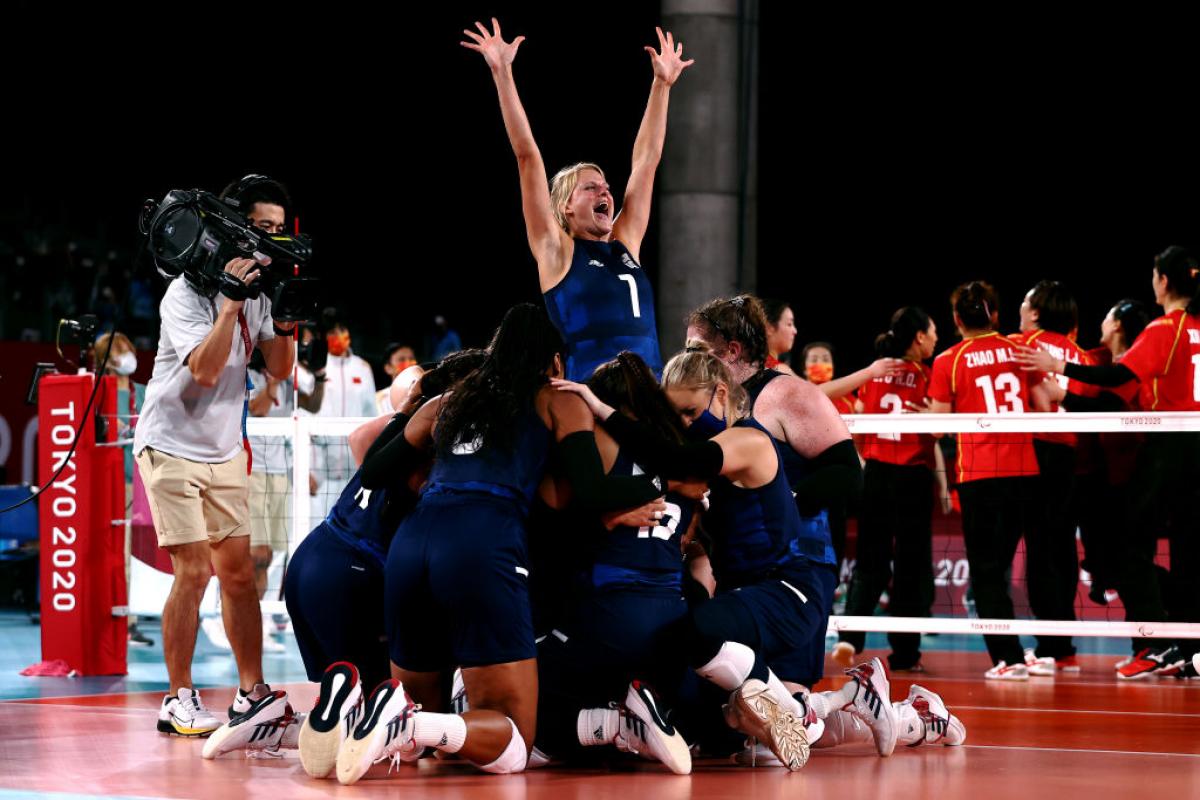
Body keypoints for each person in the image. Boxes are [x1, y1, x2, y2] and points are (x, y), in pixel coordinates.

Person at [334, 304, 670, 784]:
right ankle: (405, 719)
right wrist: (655, 485)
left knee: (427, 750)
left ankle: (388, 712)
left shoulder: (450, 401)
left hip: (413, 544)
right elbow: (591, 490)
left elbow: (373, 471)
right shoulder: (556, 399)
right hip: (482, 540)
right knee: (514, 741)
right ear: (555, 362)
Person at [557, 350, 899, 771]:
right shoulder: (708, 450)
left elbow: (674, 464)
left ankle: (795, 713)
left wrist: (598, 408)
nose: (683, 422)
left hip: (787, 591)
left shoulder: (748, 439)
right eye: (675, 414)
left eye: (690, 411)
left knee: (694, 632)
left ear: (721, 393)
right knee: (713, 730)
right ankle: (867, 703)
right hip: (745, 597)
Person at [133, 175, 297, 736]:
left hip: (224, 449)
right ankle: (176, 697)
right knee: (195, 570)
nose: (271, 238)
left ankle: (251, 692)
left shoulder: (260, 294)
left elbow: (278, 370)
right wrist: (230, 304)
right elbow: (203, 371)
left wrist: (288, 313)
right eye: (261, 227)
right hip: (171, 445)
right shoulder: (184, 293)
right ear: (233, 226)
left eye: (279, 229)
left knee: (240, 576)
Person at [464, 18, 692, 380]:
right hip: (589, 391)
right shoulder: (556, 250)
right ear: (565, 206)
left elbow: (646, 161)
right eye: (590, 187)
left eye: (606, 188)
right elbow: (527, 156)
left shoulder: (624, 243)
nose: (604, 192)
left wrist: (662, 85)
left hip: (648, 392)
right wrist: (502, 73)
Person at [1015, 246, 1200, 679]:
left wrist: (1058, 364)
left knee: (1129, 551)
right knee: (1189, 553)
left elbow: (1120, 379)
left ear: (1164, 281)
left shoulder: (1165, 328)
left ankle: (1160, 644)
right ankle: (1189, 648)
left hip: (1167, 448)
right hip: (1194, 447)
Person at [926, 281, 1037, 680]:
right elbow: (1043, 403)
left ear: (957, 319)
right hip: (1026, 470)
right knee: (1012, 563)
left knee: (988, 570)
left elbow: (937, 429)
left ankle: (1007, 658)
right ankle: (1038, 652)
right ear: (993, 313)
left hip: (979, 474)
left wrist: (925, 414)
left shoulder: (949, 360)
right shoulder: (1019, 349)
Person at [834, 307, 939, 672]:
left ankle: (849, 636)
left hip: (876, 474)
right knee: (911, 565)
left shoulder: (875, 375)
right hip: (912, 477)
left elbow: (860, 427)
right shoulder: (928, 375)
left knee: (869, 561)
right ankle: (906, 654)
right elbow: (938, 432)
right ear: (920, 338)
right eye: (933, 332)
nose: (937, 339)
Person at [1009, 280, 1095, 675]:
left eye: (1026, 302)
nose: (1021, 308)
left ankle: (1048, 647)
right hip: (1073, 458)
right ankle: (1064, 649)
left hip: (1034, 452)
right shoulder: (1081, 357)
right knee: (1061, 551)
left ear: (1037, 312)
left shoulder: (1021, 344)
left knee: (1041, 552)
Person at [91, 331, 152, 646]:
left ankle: (131, 621)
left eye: (128, 348)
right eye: (118, 352)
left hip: (141, 487)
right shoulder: (95, 393)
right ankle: (108, 618)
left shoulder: (144, 393)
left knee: (135, 556)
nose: (127, 355)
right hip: (108, 487)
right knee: (108, 555)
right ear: (105, 360)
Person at [311, 319, 377, 521]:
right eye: (332, 331)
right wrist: (309, 468)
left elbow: (371, 415)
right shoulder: (315, 366)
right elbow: (305, 415)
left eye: (342, 329)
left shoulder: (363, 368)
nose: (338, 335)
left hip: (354, 471)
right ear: (323, 337)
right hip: (322, 475)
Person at [375, 343, 417, 414]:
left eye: (411, 359)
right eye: (401, 359)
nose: (408, 363)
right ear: (388, 368)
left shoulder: (425, 397)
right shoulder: (378, 399)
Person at [761, 298, 798, 375]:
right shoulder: (779, 370)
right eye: (789, 324)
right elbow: (811, 388)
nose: (795, 331)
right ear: (769, 328)